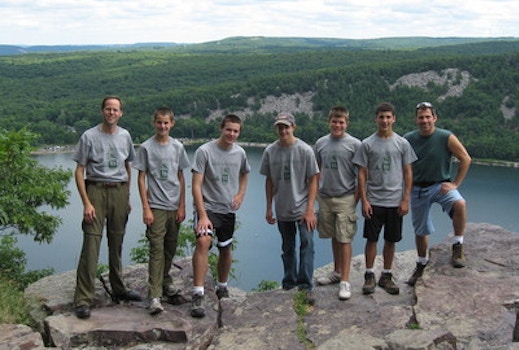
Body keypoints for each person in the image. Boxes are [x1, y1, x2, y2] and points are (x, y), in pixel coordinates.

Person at [73, 96, 141, 319]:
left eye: (116, 110)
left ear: (121, 113)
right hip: (96, 190)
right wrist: (86, 202)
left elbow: (127, 166)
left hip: (119, 191)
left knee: (117, 242)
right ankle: (83, 299)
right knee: (91, 244)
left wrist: (128, 196)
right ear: (102, 111)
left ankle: (119, 289)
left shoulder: (125, 136)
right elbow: (79, 170)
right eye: (108, 109)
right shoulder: (89, 136)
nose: (112, 113)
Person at [404, 101, 471, 286]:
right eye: (421, 117)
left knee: (460, 204)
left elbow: (465, 158)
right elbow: (403, 166)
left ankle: (458, 244)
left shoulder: (446, 137)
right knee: (421, 229)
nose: (424, 121)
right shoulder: (409, 139)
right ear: (416, 120)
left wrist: (455, 184)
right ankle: (422, 263)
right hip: (417, 188)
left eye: (428, 117)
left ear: (435, 118)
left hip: (440, 186)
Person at [353, 102, 417, 295]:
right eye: (381, 117)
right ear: (376, 119)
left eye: (388, 117)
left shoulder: (402, 143)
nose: (385, 120)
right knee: (371, 239)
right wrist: (364, 200)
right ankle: (369, 274)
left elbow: (408, 172)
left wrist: (405, 198)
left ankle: (386, 275)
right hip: (374, 200)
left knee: (391, 240)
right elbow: (362, 173)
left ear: (394, 119)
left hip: (395, 201)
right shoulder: (367, 143)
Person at [190, 114, 250, 318]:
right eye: (229, 130)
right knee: (203, 241)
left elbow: (245, 173)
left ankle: (222, 287)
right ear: (221, 129)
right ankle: (197, 293)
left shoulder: (240, 153)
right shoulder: (204, 151)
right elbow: (196, 185)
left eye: (236, 131)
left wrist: (241, 193)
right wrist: (202, 215)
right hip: (208, 207)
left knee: (225, 248)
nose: (232, 134)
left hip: (227, 209)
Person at [132, 107, 190, 315]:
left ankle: (165, 282)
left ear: (172, 124)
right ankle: (155, 295)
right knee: (156, 249)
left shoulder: (178, 147)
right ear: (154, 123)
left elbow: (182, 177)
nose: (163, 126)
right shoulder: (146, 147)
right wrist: (145, 207)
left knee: (170, 248)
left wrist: (182, 205)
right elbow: (141, 178)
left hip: (174, 206)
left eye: (166, 123)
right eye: (159, 122)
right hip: (155, 206)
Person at [260, 112, 319, 304]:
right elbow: (269, 180)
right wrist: (269, 207)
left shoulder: (304, 150)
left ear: (293, 127)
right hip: (283, 207)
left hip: (303, 207)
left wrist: (310, 209)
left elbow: (313, 179)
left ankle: (306, 285)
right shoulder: (270, 151)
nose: (283, 130)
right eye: (280, 127)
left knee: (306, 243)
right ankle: (289, 282)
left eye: (286, 126)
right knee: (287, 247)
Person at [314, 106, 361, 300]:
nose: (337, 125)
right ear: (329, 122)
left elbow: (362, 175)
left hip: (345, 196)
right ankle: (337, 271)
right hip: (325, 197)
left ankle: (345, 281)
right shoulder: (321, 143)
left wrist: (355, 200)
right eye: (334, 121)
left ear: (346, 123)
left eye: (341, 122)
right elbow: (315, 171)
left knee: (345, 238)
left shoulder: (355, 144)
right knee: (334, 234)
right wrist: (316, 195)